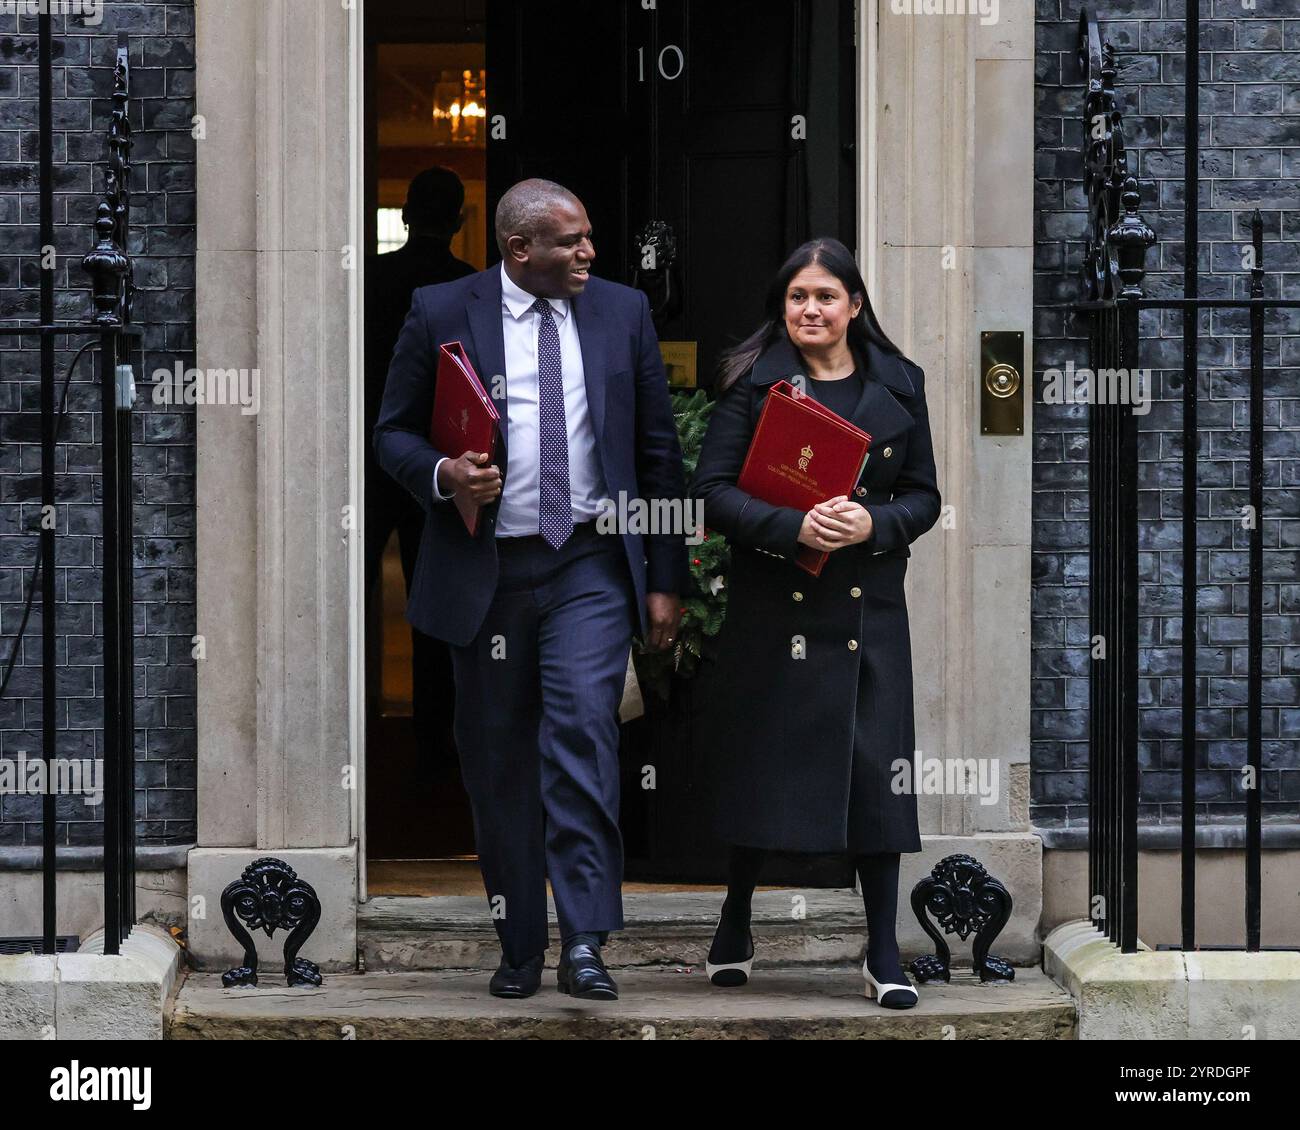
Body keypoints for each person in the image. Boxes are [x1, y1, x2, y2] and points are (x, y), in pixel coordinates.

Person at [373, 178, 688, 1001]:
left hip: (587, 563)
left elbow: (658, 455)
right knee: (498, 761)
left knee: (583, 731)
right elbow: (391, 433)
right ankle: (518, 943)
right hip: (489, 572)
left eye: (588, 237)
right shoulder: (442, 310)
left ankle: (585, 941)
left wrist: (665, 579)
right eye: (571, 240)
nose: (590, 251)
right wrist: (443, 473)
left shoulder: (622, 313)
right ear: (520, 250)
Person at [690, 236, 941, 1009]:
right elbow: (712, 492)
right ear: (783, 307)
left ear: (854, 306)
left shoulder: (900, 385)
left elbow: (925, 496)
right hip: (777, 608)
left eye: (825, 296)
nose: (810, 309)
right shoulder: (753, 385)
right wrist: (791, 526)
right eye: (797, 297)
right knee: (761, 765)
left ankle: (883, 950)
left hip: (869, 612)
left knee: (877, 778)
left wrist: (874, 525)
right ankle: (735, 924)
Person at [365, 168, 476, 762]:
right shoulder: (470, 286)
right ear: (460, 221)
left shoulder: (372, 279)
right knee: (433, 600)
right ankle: (436, 743)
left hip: (369, 457)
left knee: (354, 594)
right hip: (442, 460)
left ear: (405, 215)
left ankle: (354, 732)